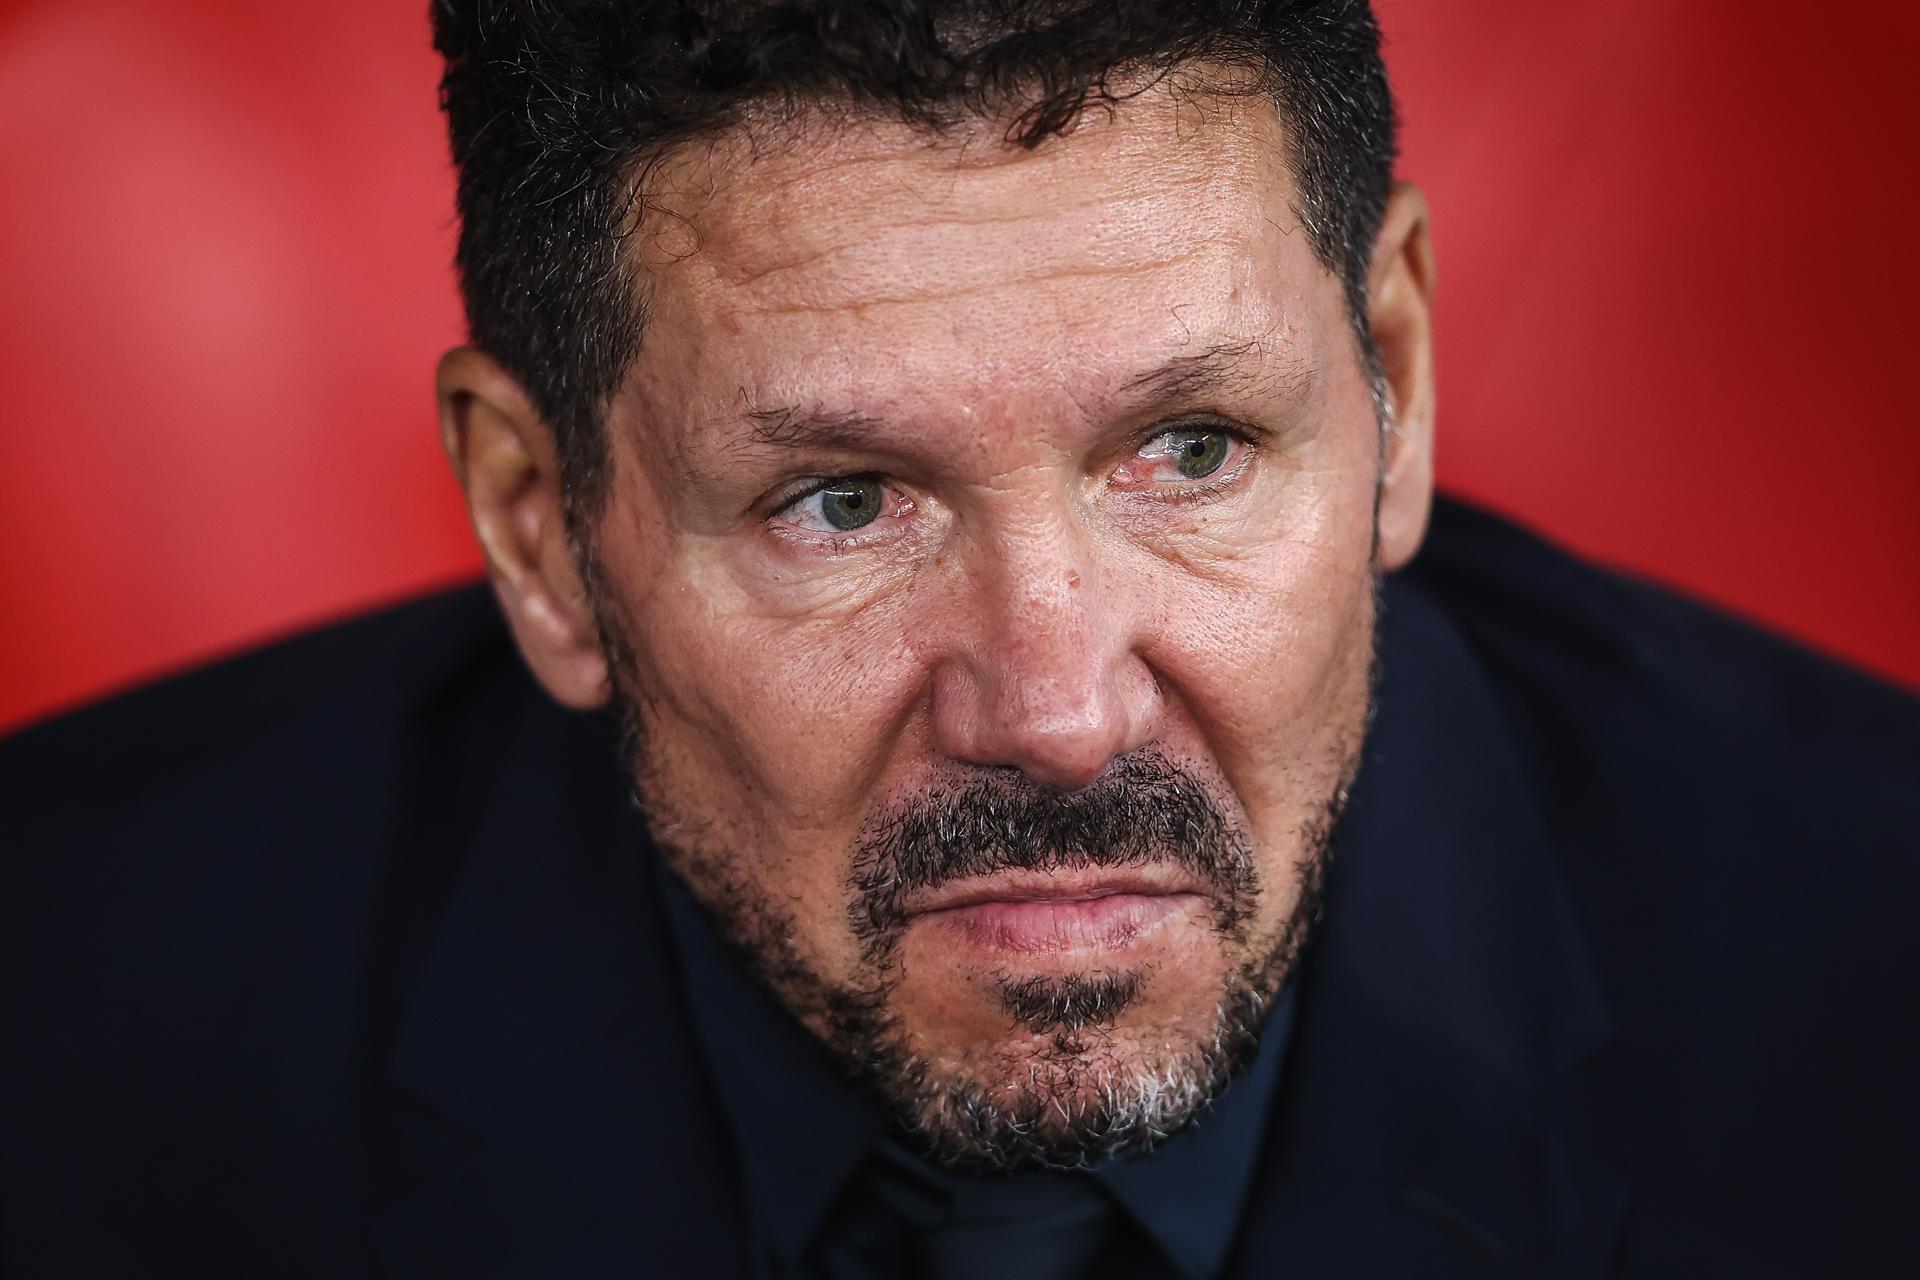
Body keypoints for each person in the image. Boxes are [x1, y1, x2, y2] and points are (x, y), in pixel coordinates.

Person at [2, 0, 1915, 1275]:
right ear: (539, 525)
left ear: (1392, 385)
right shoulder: (61, 1020)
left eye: (1192, 450)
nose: (1062, 716)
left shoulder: (1873, 974)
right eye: (843, 502)